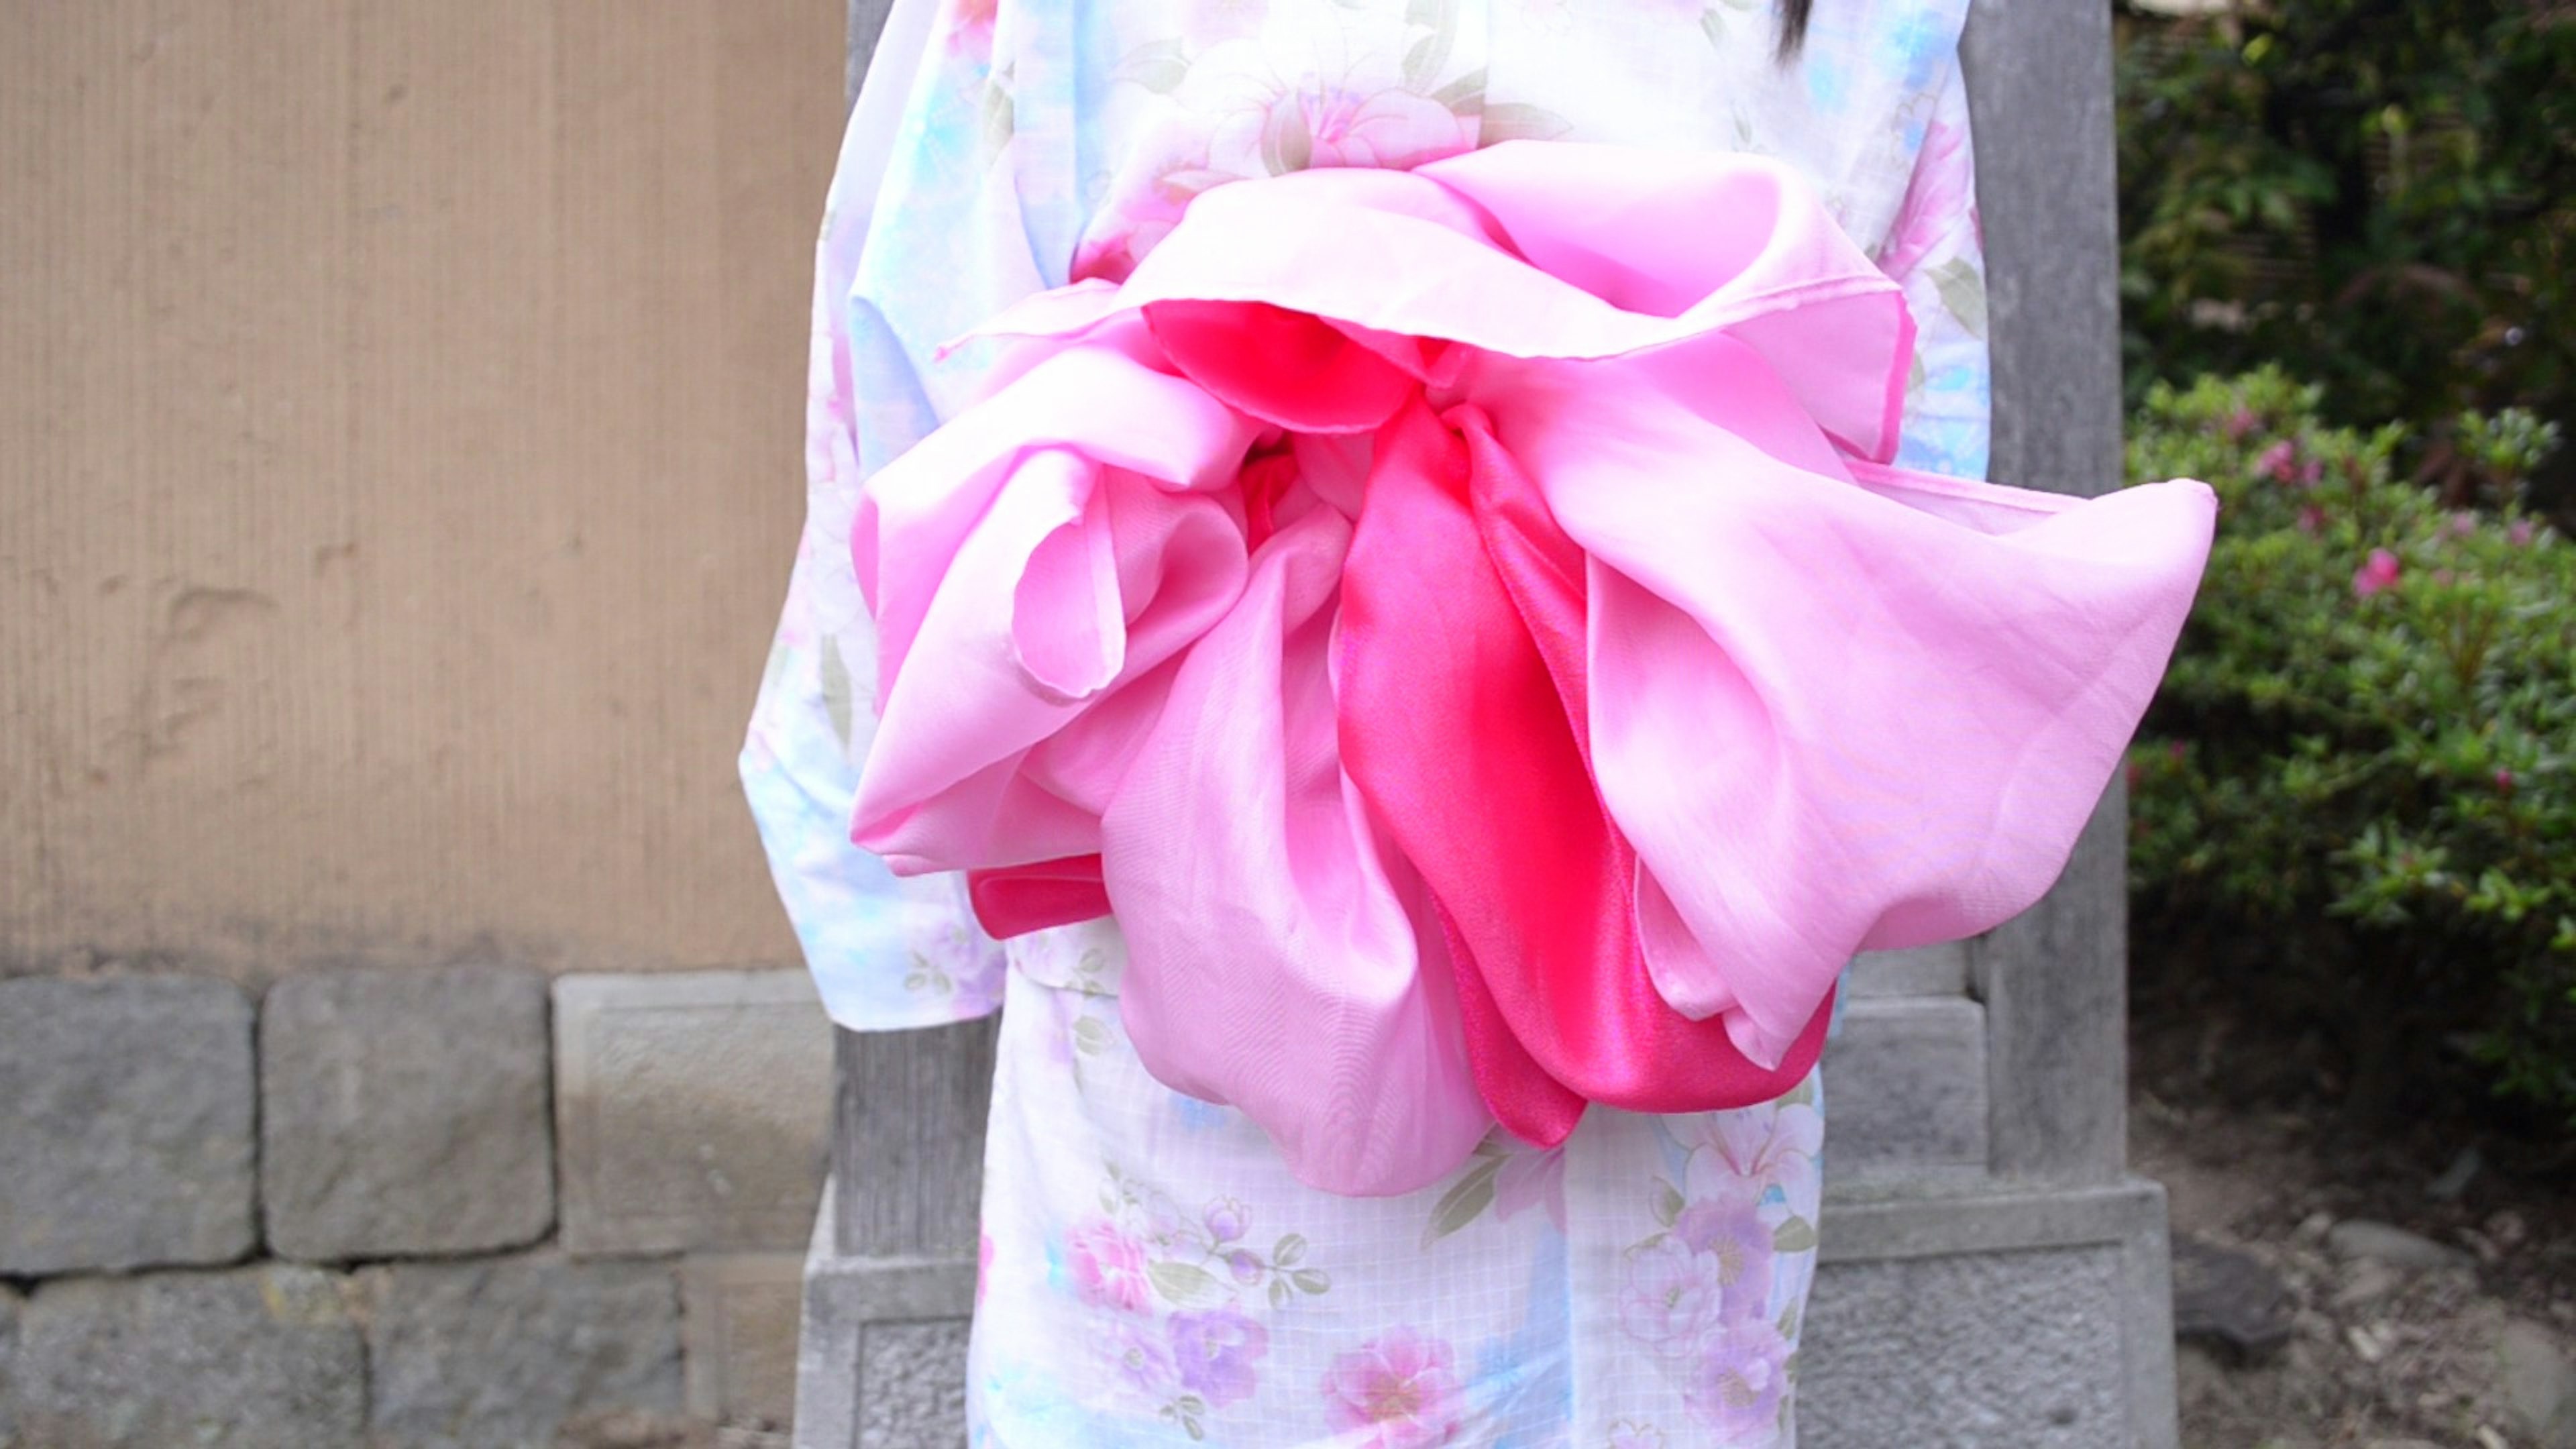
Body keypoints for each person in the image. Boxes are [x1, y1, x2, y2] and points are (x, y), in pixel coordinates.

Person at [743, 3, 2115, 1443]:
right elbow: (1901, 435)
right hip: (1641, 785)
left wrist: (898, 897)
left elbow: (927, 376)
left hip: (1205, 795)